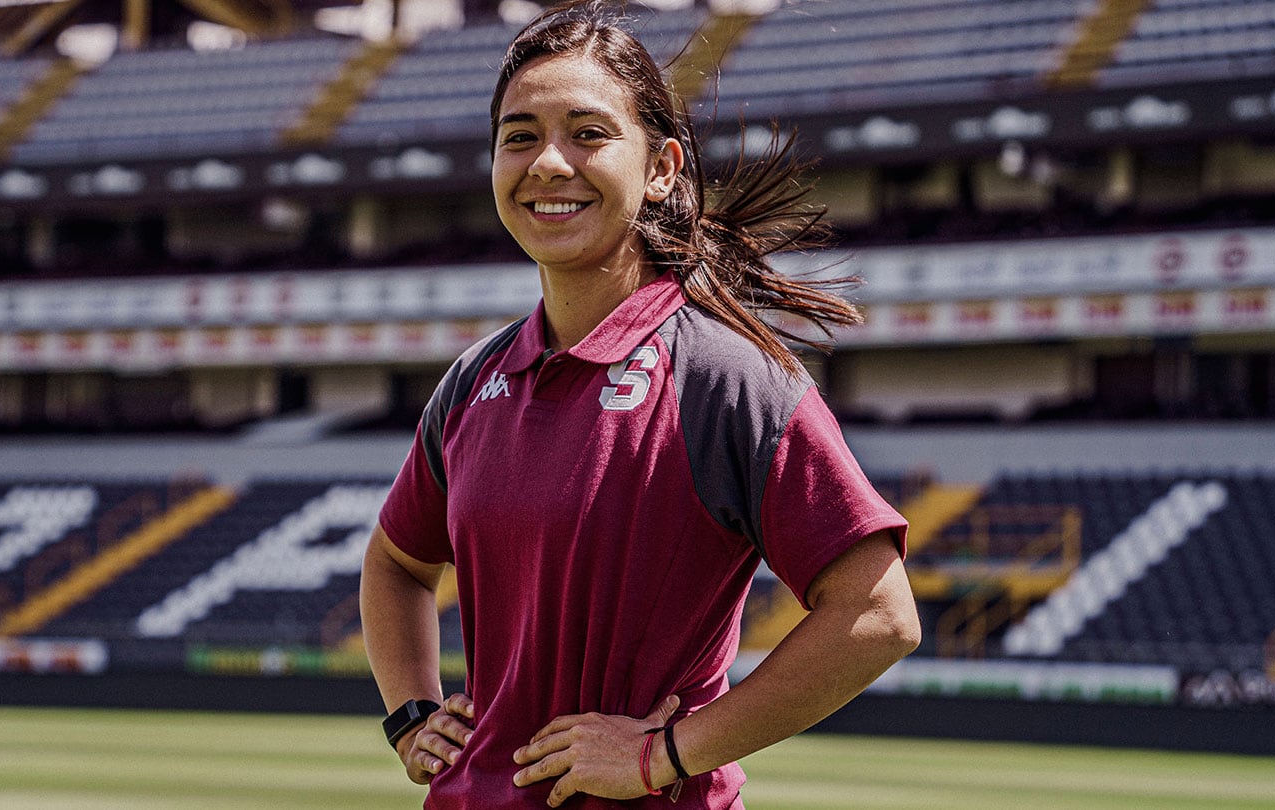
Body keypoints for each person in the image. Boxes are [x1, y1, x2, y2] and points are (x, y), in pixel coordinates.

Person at [360, 2, 921, 807]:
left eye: (588, 134)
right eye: (519, 137)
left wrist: (665, 756)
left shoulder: (725, 377)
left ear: (660, 167)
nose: (548, 163)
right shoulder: (473, 382)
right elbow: (395, 564)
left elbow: (879, 615)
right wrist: (413, 715)